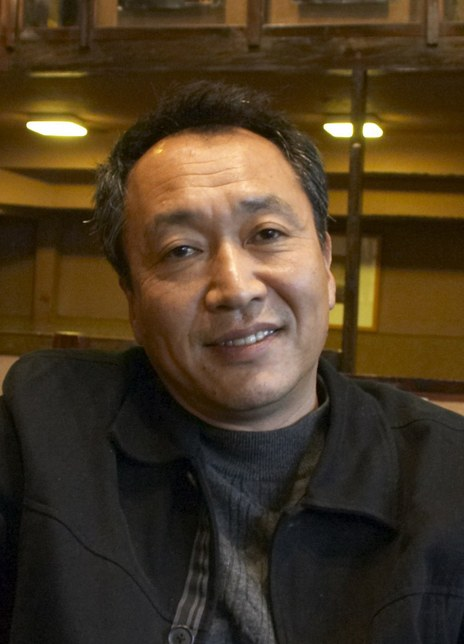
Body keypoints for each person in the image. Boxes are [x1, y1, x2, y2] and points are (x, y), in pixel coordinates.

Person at [1, 80, 463, 644]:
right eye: (181, 250)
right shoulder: (41, 432)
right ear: (133, 301)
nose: (236, 288)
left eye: (267, 234)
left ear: (326, 264)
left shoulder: (446, 476)